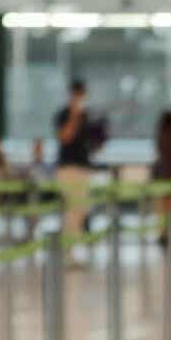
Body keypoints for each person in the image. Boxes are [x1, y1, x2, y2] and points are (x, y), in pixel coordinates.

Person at [53, 80, 102, 264]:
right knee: (71, 211)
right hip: (68, 169)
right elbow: (65, 137)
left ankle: (71, 251)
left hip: (84, 168)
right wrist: (74, 115)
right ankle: (66, 253)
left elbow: (92, 144)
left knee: (81, 210)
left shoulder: (88, 117)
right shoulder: (64, 114)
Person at [152, 110, 171, 219]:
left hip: (162, 178)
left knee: (163, 210)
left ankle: (164, 232)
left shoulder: (162, 136)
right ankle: (170, 232)